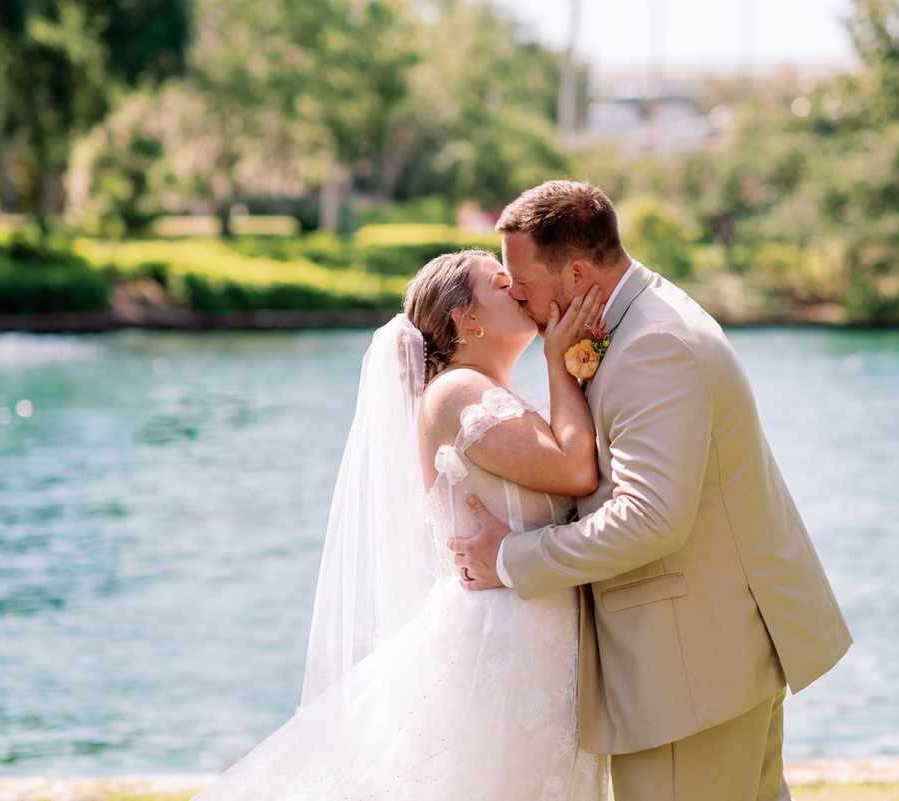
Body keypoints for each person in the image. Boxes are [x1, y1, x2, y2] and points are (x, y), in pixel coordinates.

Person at [449, 180, 853, 801]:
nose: (520, 299)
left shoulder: (652, 346)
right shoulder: (642, 318)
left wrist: (509, 559)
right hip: (713, 655)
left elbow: (650, 517)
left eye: (523, 285)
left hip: (688, 668)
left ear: (578, 272)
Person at [189, 249, 611, 801]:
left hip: (536, 636)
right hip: (501, 646)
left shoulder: (495, 394)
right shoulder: (459, 392)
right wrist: (559, 359)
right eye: (501, 282)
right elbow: (576, 469)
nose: (519, 289)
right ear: (467, 319)